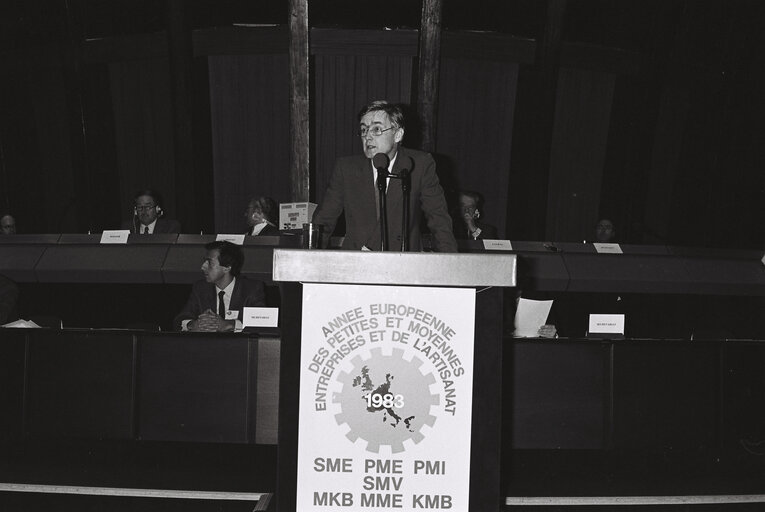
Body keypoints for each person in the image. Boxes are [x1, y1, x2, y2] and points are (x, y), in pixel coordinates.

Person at [312, 100, 457, 252]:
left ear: (398, 135)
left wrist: (450, 265)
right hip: (356, 263)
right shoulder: (346, 168)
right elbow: (324, 221)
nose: (367, 136)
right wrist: (310, 262)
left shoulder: (419, 165)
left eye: (376, 129)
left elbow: (439, 220)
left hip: (404, 263)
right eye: (364, 130)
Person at [174, 241, 265, 332]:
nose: (203, 267)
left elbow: (261, 323)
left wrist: (230, 324)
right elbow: (180, 319)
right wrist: (192, 324)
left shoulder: (252, 289)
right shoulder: (200, 288)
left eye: (209, 263)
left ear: (227, 267)